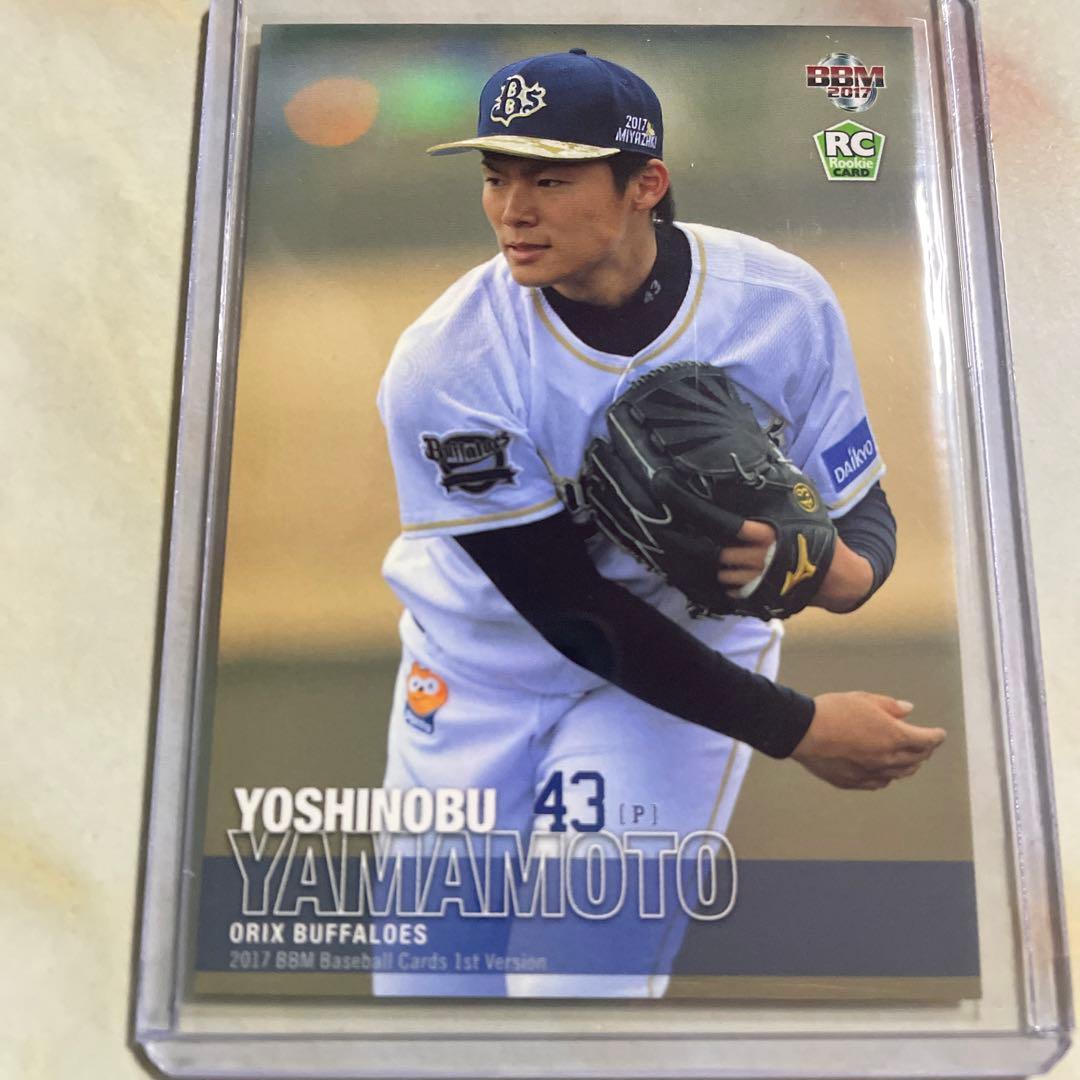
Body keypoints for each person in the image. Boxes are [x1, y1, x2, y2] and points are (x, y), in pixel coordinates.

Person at [374, 49, 945, 997]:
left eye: (550, 180)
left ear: (645, 184)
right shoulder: (451, 359)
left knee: (577, 989)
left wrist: (845, 575)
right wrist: (797, 727)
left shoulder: (776, 304)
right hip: (475, 672)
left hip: (672, 677)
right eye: (498, 177)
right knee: (431, 998)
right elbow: (566, 607)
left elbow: (863, 511)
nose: (513, 211)